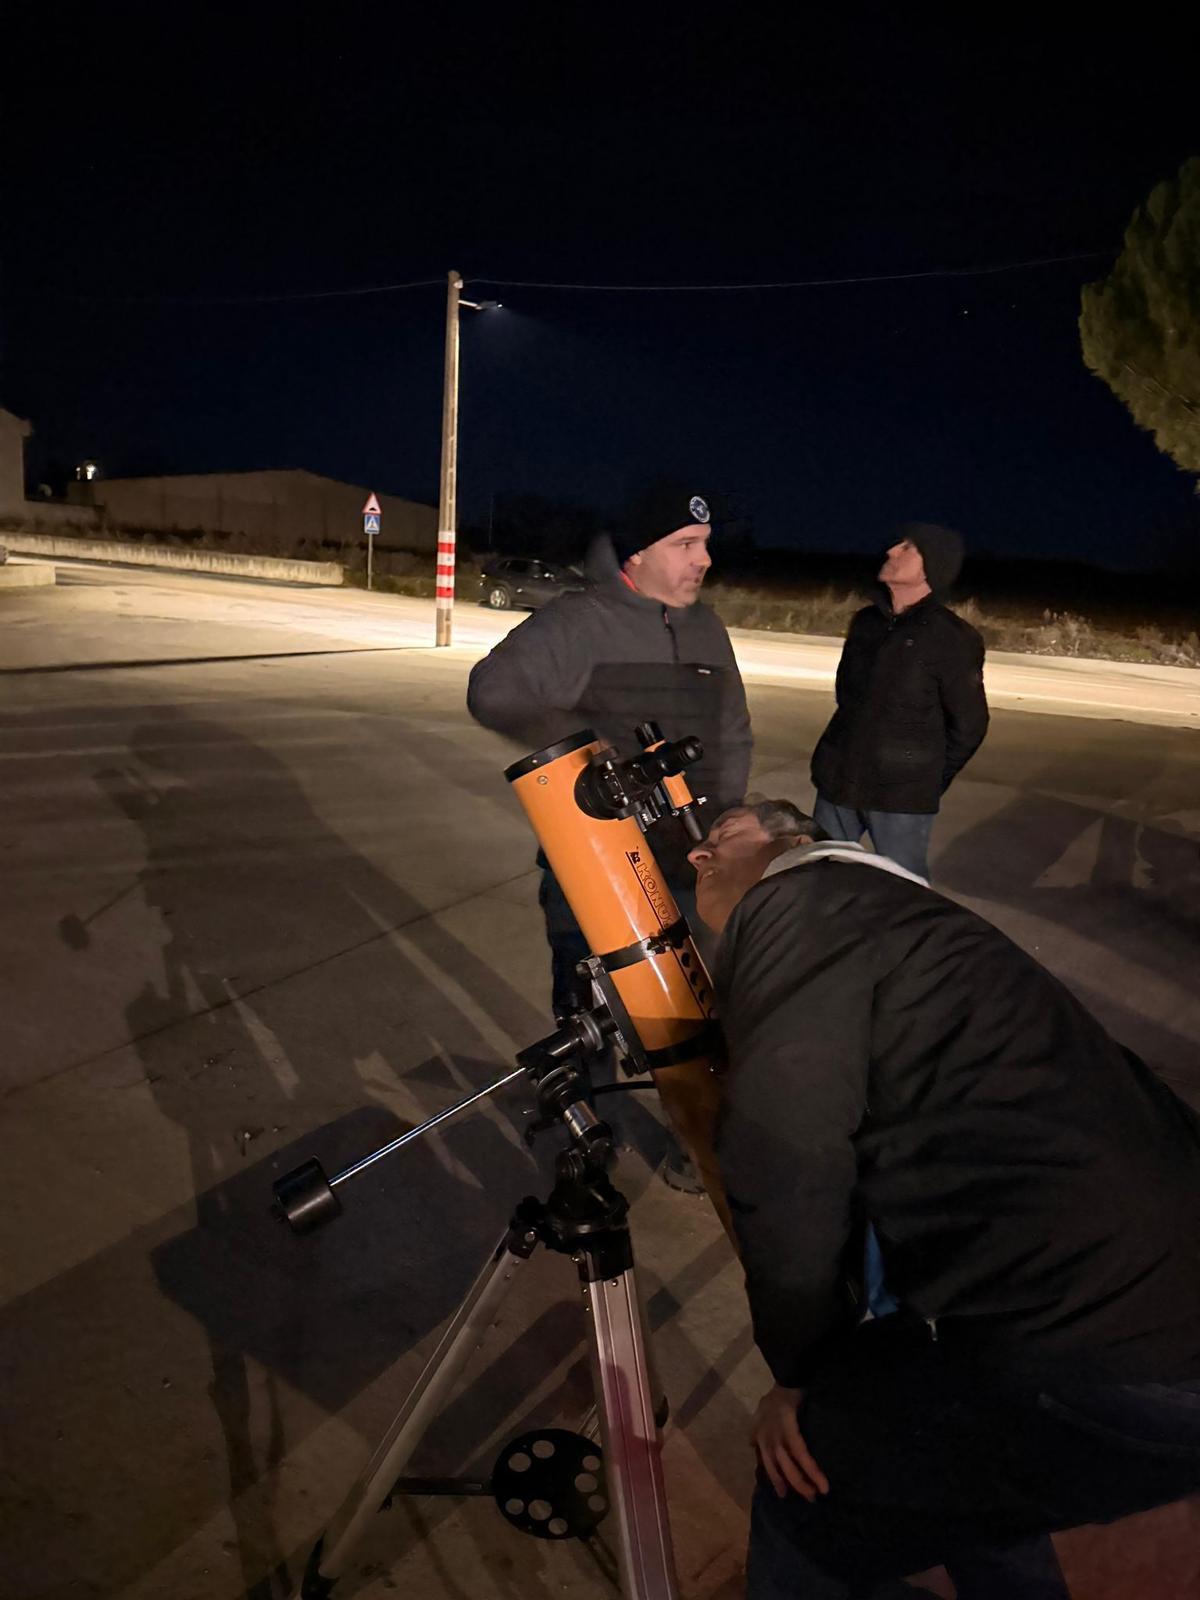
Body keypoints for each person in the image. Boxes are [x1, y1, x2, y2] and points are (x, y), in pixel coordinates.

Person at [688, 800, 1200, 1599]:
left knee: (809, 1482)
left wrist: (803, 1372)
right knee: (967, 1474)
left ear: (795, 841)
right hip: (1139, 1306)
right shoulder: (905, 918)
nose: (702, 853)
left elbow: (783, 1153)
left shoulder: (803, 903)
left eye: (727, 832)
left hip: (1110, 1344)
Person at [467, 483, 753, 1188]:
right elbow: (491, 690)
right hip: (600, 870)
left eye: (706, 544)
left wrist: (729, 823)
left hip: (694, 860)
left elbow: (735, 730)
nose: (704, 560)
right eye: (686, 545)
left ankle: (697, 1147)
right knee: (590, 1010)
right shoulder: (581, 623)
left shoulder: (708, 628)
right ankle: (587, 1137)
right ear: (638, 555)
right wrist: (580, 757)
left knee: (694, 1018)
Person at [810, 523, 988, 880]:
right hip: (838, 783)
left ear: (932, 567)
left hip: (901, 799)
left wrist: (924, 778)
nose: (892, 551)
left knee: (902, 895)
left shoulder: (951, 638)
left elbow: (969, 726)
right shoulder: (865, 623)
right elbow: (847, 699)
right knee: (814, 879)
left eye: (908, 548)